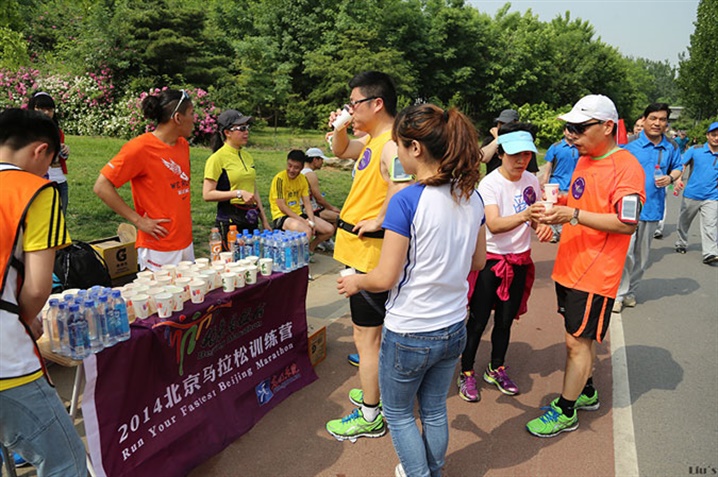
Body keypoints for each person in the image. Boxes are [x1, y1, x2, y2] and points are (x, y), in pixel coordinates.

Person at [338, 103, 486, 476]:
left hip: (411, 329)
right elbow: (478, 261)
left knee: (399, 412)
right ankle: (432, 470)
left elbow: (385, 277)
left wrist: (357, 281)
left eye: (400, 146)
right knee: (434, 408)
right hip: (454, 324)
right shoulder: (473, 196)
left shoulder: (407, 200)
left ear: (415, 149)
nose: (398, 153)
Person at [526, 94, 645, 438]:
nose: (571, 135)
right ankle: (587, 390)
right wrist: (558, 204)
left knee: (576, 343)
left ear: (607, 127)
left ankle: (566, 410)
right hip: (570, 264)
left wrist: (573, 214)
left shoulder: (627, 167)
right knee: (578, 337)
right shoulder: (586, 159)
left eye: (579, 128)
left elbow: (626, 223)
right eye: (569, 128)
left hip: (595, 272)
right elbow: (582, 200)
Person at [0, 108, 87, 475]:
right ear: (41, 150)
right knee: (65, 461)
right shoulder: (34, 191)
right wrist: (24, 319)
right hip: (6, 358)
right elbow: (37, 287)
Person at [325, 71, 411, 442]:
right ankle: (375, 392)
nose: (351, 109)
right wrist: (340, 128)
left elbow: (401, 186)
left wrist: (378, 219)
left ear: (377, 104)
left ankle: (371, 414)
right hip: (357, 251)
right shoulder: (372, 140)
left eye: (354, 104)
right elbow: (340, 150)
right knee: (370, 336)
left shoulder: (391, 144)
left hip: (369, 255)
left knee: (366, 338)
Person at [458, 123, 552, 403]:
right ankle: (466, 372)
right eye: (514, 155)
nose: (521, 160)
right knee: (477, 321)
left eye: (526, 154)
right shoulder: (490, 184)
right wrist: (526, 217)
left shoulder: (531, 181)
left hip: (520, 260)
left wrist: (541, 227)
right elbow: (495, 224)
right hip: (491, 261)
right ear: (500, 154)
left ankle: (496, 367)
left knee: (505, 320)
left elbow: (533, 218)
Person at [93, 89, 195, 272]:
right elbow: (101, 186)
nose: (195, 119)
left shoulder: (182, 145)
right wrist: (138, 221)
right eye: (192, 113)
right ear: (178, 118)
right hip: (159, 245)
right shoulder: (140, 148)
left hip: (185, 241)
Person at [613, 103, 682, 313]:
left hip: (653, 208)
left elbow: (678, 167)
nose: (657, 123)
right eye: (653, 118)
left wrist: (670, 178)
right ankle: (619, 294)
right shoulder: (629, 145)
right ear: (644, 120)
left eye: (662, 119)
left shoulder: (671, 147)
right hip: (628, 207)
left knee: (642, 257)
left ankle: (631, 292)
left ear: (666, 123)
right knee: (626, 253)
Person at [203, 109, 271, 248]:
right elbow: (207, 194)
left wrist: (264, 220)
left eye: (247, 127)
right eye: (241, 128)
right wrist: (238, 193)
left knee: (252, 258)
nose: (246, 132)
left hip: (250, 218)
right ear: (227, 132)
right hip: (230, 220)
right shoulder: (216, 159)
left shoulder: (247, 156)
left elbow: (253, 189)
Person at [269, 150, 334, 251]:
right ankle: (301, 256)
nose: (291, 170)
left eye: (296, 167)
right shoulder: (280, 179)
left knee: (329, 229)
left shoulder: (303, 179)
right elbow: (282, 206)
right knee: (306, 231)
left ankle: (310, 249)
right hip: (281, 216)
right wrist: (303, 221)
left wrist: (312, 222)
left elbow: (307, 203)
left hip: (298, 214)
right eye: (289, 166)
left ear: (302, 167)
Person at [673, 122, 718, 265]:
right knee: (684, 221)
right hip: (692, 194)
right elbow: (682, 165)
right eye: (713, 135)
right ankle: (681, 242)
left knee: (710, 225)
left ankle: (710, 253)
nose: (716, 138)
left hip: (712, 196)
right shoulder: (695, 150)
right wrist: (678, 179)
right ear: (707, 136)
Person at [28, 91, 71, 214]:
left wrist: (65, 151)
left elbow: (59, 157)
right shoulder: (25, 132)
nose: (46, 112)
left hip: (59, 181)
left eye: (50, 109)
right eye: (41, 108)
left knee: (59, 219)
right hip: (37, 182)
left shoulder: (57, 132)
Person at [540, 125, 580, 242]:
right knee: (553, 208)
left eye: (573, 131)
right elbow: (549, 164)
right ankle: (553, 233)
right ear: (564, 132)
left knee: (567, 209)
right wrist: (545, 178)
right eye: (569, 131)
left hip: (572, 185)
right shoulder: (555, 147)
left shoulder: (579, 148)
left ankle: (564, 231)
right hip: (556, 182)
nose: (571, 134)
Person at [480, 109, 539, 176]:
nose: (503, 126)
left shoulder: (524, 144)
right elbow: (483, 158)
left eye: (507, 124)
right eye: (500, 123)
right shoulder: (490, 140)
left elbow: (532, 171)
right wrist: (498, 139)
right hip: (494, 180)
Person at [302, 147, 341, 225]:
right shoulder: (310, 174)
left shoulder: (302, 171)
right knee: (341, 218)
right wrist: (332, 208)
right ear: (315, 160)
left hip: (304, 207)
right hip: (312, 209)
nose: (322, 162)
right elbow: (318, 198)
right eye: (321, 160)